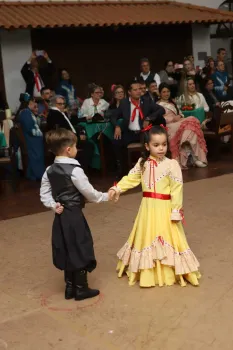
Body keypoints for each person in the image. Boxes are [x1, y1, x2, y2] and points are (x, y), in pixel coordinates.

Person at [108, 125, 201, 288]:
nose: (161, 148)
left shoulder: (172, 164)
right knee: (146, 236)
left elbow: (177, 188)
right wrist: (117, 188)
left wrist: (176, 210)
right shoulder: (142, 163)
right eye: (156, 145)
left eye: (164, 144)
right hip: (148, 209)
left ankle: (171, 269)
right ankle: (147, 271)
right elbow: (131, 178)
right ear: (147, 146)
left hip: (165, 208)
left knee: (168, 236)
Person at [40, 128, 109, 300]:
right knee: (79, 245)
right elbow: (89, 193)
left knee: (66, 245)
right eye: (76, 146)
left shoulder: (49, 170)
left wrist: (53, 205)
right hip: (74, 215)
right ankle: (81, 288)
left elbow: (44, 193)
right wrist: (106, 196)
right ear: (68, 150)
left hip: (61, 216)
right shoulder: (75, 170)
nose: (77, 149)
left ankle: (70, 287)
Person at [111, 81, 166, 178]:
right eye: (135, 90)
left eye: (139, 89)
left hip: (143, 132)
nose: (138, 92)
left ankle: (153, 169)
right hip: (130, 132)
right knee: (116, 141)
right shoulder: (124, 103)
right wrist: (117, 126)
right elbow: (113, 116)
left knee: (151, 142)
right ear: (129, 92)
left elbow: (161, 110)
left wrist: (149, 118)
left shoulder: (146, 101)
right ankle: (123, 171)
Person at [158, 83, 207, 169]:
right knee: (192, 120)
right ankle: (193, 157)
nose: (166, 94)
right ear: (160, 93)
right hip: (169, 126)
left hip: (179, 123)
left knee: (190, 128)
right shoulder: (157, 105)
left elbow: (180, 113)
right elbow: (159, 120)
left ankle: (193, 156)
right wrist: (173, 119)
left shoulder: (172, 102)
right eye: (164, 92)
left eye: (168, 91)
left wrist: (179, 116)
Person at [47, 95, 94, 172]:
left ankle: (79, 169)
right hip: (65, 141)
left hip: (69, 138)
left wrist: (84, 119)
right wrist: (77, 137)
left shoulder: (60, 112)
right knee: (89, 145)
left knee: (88, 143)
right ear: (53, 104)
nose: (62, 105)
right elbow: (60, 130)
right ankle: (80, 170)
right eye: (59, 104)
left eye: (63, 104)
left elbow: (71, 123)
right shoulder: (55, 114)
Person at [18, 95, 45, 180]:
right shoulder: (25, 112)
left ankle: (32, 175)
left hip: (35, 137)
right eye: (33, 102)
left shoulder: (29, 112)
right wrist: (39, 134)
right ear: (29, 103)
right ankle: (38, 175)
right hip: (32, 138)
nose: (35, 103)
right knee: (36, 156)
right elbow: (29, 128)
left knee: (37, 156)